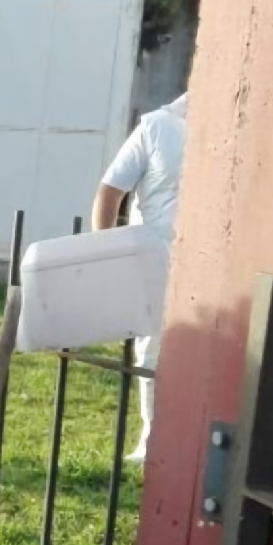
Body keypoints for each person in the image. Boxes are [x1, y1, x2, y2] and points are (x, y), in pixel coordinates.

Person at [90, 92, 188, 463]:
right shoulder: (156, 126)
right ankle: (154, 438)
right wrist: (107, 250)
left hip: (209, 259)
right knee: (153, 348)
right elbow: (110, 191)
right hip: (156, 256)